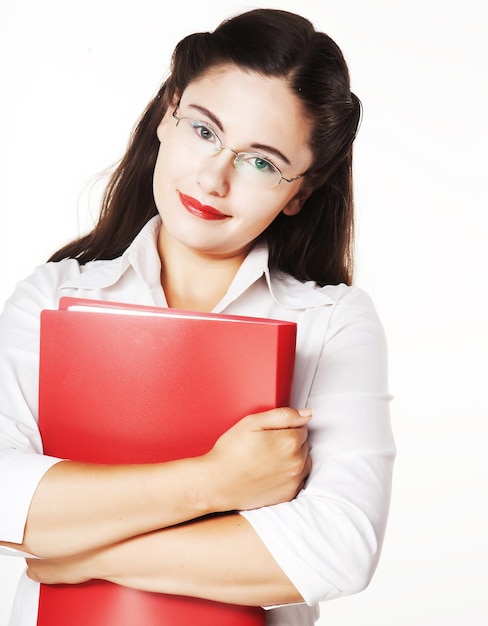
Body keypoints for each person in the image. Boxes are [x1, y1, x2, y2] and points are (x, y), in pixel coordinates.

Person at [0, 8, 395, 626]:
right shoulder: (52, 296)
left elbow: (340, 547)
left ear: (300, 192)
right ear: (168, 114)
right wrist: (214, 482)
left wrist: (73, 547)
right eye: (205, 131)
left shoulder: (332, 322)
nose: (213, 178)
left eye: (261, 162)